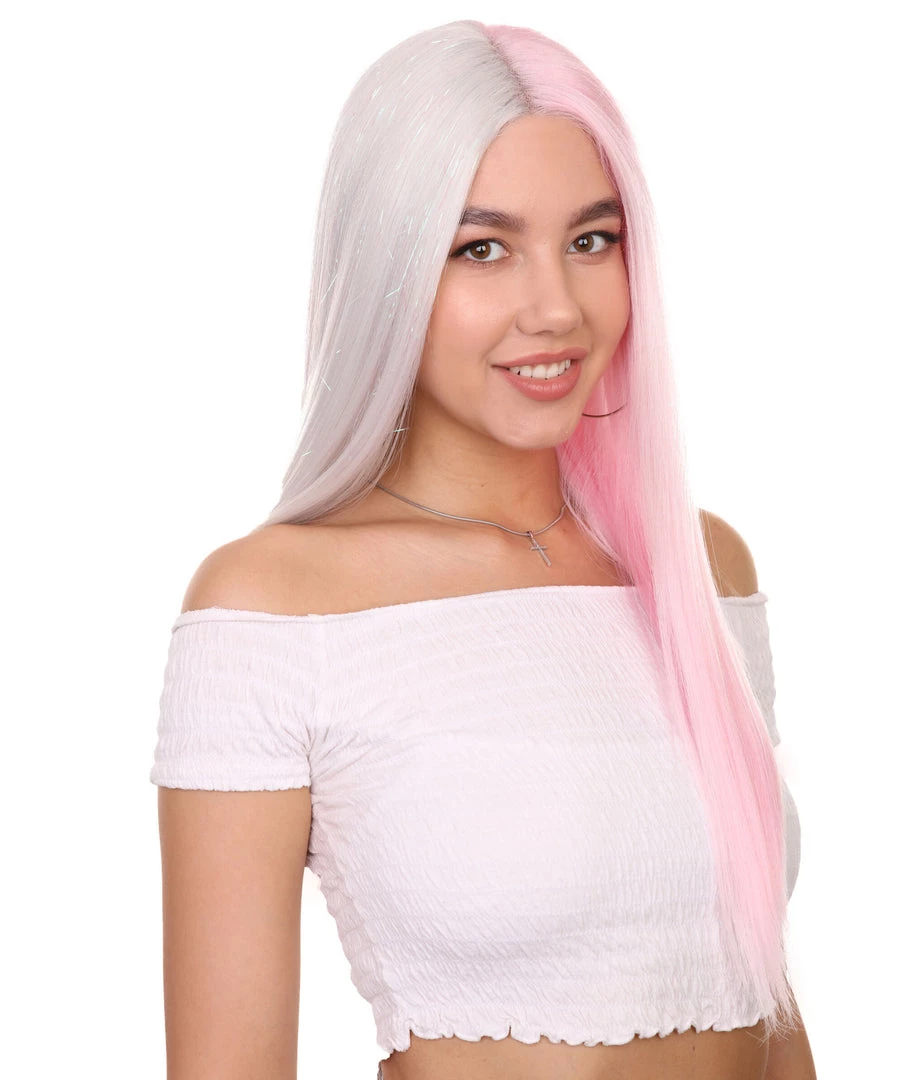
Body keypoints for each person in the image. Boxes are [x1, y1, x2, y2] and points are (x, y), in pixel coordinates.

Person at [149, 20, 817, 1080]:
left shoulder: (701, 567)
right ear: (386, 267)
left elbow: (769, 1012)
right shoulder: (273, 608)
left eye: (591, 240)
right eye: (481, 248)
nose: (553, 308)